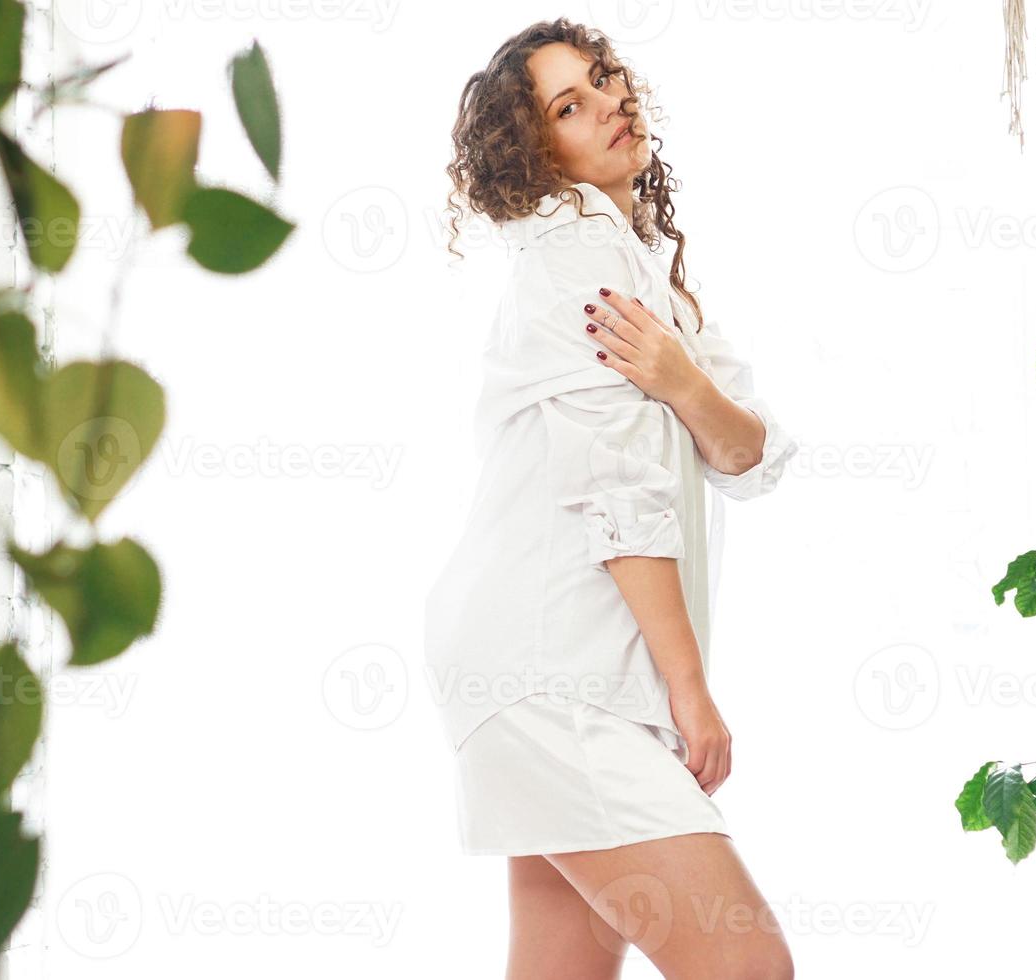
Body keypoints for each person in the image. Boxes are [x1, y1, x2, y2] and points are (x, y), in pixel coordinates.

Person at [428, 17, 800, 979]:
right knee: (748, 968)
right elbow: (617, 494)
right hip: (552, 670)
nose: (609, 104)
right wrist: (689, 691)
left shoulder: (639, 265)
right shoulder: (576, 257)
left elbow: (751, 455)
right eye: (569, 105)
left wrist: (682, 382)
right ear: (535, 151)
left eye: (605, 80)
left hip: (556, 666)